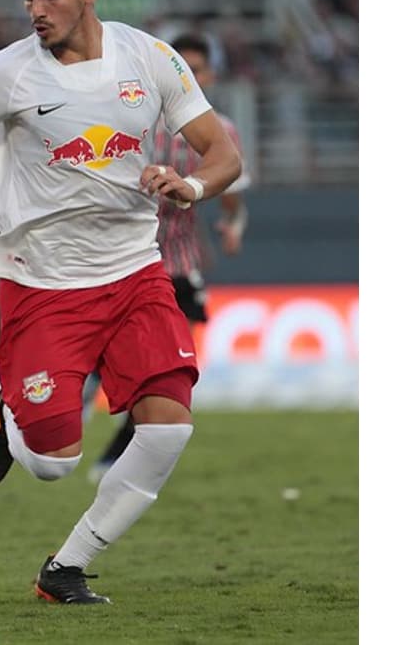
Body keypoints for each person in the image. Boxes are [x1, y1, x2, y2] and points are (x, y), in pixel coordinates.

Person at [0, 0, 242, 604]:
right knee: (55, 465)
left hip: (133, 271)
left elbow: (223, 154)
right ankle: (10, 414)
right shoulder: (7, 71)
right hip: (43, 283)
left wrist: (193, 187)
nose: (36, 9)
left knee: (168, 427)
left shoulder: (150, 59)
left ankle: (65, 568)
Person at [84, 32, 253, 482]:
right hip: (124, 256)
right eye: (186, 68)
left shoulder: (222, 131)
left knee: (174, 366)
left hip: (181, 258)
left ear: (210, 75)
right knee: (117, 348)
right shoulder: (135, 120)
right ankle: (86, 389)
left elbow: (233, 197)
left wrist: (231, 228)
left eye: (199, 69)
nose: (192, 77)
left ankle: (117, 448)